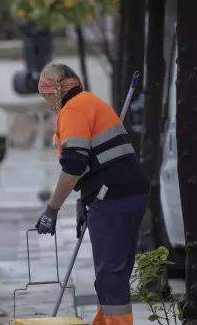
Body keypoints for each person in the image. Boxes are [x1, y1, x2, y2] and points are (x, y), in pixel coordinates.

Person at [35, 63, 148, 325]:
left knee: (110, 273)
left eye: (48, 98)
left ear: (57, 91)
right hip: (127, 192)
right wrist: (83, 201)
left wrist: (51, 210)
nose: (50, 105)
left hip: (112, 196)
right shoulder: (90, 103)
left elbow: (74, 164)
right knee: (114, 273)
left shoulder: (72, 110)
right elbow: (91, 162)